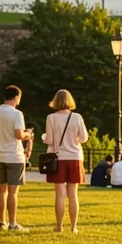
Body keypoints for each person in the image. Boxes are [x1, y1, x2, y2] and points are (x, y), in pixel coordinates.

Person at [44, 89, 89, 234]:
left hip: (59, 158)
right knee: (73, 194)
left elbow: (50, 140)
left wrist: (44, 137)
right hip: (75, 157)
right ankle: (73, 227)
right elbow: (84, 138)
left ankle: (59, 226)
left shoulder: (51, 118)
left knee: (60, 195)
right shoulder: (77, 117)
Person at [0, 87, 29, 232]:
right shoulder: (17, 114)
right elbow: (19, 135)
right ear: (16, 97)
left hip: (0, 154)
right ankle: (13, 223)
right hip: (14, 155)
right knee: (13, 192)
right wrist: (28, 135)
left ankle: (2, 222)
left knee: (2, 189)